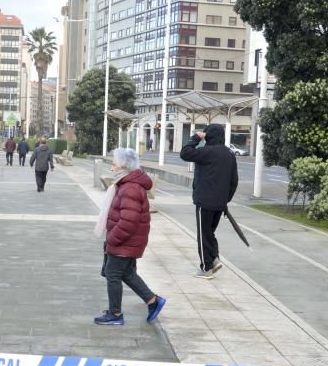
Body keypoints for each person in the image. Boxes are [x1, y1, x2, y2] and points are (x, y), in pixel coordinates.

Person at [94, 148, 166, 325]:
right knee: (126, 273)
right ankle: (152, 301)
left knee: (113, 273)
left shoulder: (130, 188)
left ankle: (115, 314)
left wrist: (112, 239)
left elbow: (129, 221)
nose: (112, 167)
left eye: (114, 163)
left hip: (125, 240)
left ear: (124, 166)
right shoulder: (126, 184)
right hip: (129, 240)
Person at [179, 123, 238, 279]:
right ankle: (214, 259)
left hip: (204, 201)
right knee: (209, 233)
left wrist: (196, 138)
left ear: (208, 135)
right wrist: (225, 200)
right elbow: (234, 181)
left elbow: (185, 153)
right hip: (220, 203)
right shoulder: (229, 154)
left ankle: (206, 267)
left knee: (203, 235)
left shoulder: (206, 152)